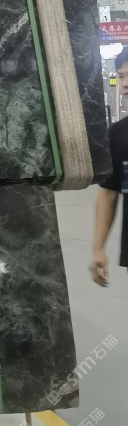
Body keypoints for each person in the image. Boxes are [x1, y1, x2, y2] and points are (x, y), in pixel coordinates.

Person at [91, 47, 128, 287]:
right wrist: (98, 248)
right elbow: (108, 192)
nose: (125, 83)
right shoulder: (118, 134)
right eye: (121, 76)